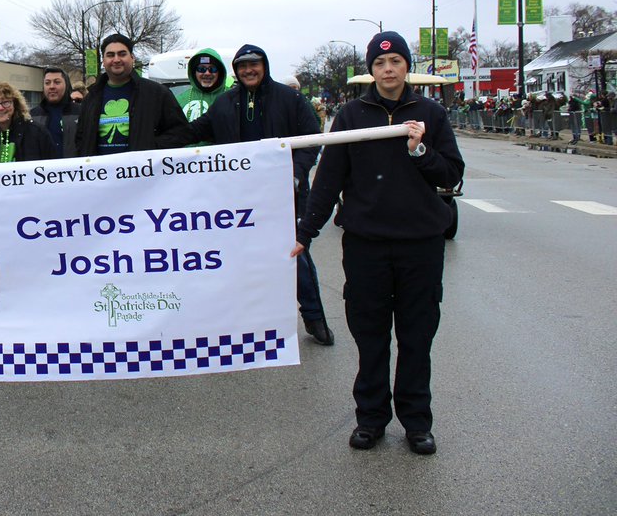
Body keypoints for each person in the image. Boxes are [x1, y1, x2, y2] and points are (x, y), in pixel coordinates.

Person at [293, 32, 464, 455]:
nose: (388, 71)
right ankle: (370, 419)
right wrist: (305, 232)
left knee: (416, 336)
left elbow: (451, 175)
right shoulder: (351, 115)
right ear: (371, 71)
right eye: (380, 65)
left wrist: (419, 149)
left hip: (420, 243)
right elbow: (329, 179)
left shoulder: (431, 114)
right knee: (370, 337)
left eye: (396, 63)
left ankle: (417, 423)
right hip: (367, 243)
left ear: (407, 67)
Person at [192, 43, 331, 346]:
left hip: (284, 195)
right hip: (238, 197)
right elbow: (192, 132)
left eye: (253, 65)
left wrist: (295, 173)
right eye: (242, 67)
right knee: (236, 257)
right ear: (236, 72)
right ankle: (243, 319)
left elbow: (312, 140)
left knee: (295, 255)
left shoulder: (291, 99)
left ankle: (313, 316)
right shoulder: (226, 103)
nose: (248, 71)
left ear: (264, 66)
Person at [75, 33, 191, 156]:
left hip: (143, 171)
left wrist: (151, 148)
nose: (116, 59)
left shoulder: (157, 93)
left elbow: (180, 132)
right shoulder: (91, 97)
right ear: (103, 61)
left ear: (132, 57)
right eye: (110, 55)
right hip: (102, 173)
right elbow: (81, 137)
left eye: (122, 54)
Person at [0, 81, 56, 163]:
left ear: (15, 104)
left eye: (6, 102)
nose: (0, 108)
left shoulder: (38, 133)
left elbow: (53, 168)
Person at [30, 67, 80, 158]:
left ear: (67, 85)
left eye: (57, 82)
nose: (52, 86)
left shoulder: (81, 113)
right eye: (47, 83)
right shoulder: (32, 116)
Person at [175, 49, 230, 122]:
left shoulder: (232, 98)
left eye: (212, 69)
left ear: (220, 72)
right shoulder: (179, 100)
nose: (207, 73)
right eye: (201, 69)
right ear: (194, 72)